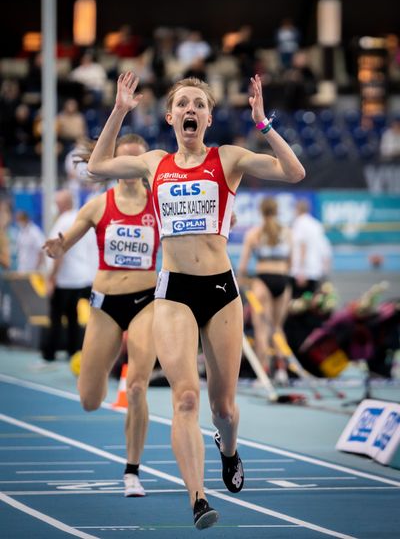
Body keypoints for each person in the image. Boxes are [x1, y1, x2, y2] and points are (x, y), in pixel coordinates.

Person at [87, 71, 305, 529]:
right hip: (174, 292)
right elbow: (97, 166)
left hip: (221, 291)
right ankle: (198, 498)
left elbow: (294, 171)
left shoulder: (228, 159)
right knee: (185, 398)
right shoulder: (154, 163)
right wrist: (120, 111)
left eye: (198, 104)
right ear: (170, 117)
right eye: (182, 103)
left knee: (222, 407)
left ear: (207, 117)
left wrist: (264, 124)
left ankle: (228, 449)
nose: (190, 110)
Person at [43, 135, 160, 497]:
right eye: (122, 160)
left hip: (147, 301)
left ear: (145, 166)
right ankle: (127, 459)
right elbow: (68, 238)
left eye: (135, 161)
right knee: (90, 400)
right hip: (105, 304)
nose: (128, 169)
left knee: (137, 385)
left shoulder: (159, 205)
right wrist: (58, 245)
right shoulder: (97, 206)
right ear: (111, 163)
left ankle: (132, 471)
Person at [237, 197, 292, 378]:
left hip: (262, 282)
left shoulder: (254, 233)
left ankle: (264, 371)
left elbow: (243, 266)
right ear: (277, 211)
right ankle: (282, 370)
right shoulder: (287, 233)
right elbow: (291, 263)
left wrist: (242, 281)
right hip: (283, 281)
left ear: (261, 212)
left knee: (262, 330)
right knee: (277, 328)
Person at [40, 190, 97, 364]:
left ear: (62, 204)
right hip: (83, 277)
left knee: (56, 317)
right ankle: (73, 350)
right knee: (72, 316)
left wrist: (51, 278)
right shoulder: (82, 219)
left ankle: (49, 353)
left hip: (65, 279)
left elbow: (59, 251)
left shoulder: (63, 222)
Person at [290, 199, 332, 299]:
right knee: (312, 304)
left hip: (303, 272)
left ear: (297, 210)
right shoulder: (316, 225)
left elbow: (303, 247)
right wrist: (325, 269)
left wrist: (301, 271)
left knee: (298, 306)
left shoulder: (299, 223)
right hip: (315, 271)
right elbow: (325, 248)